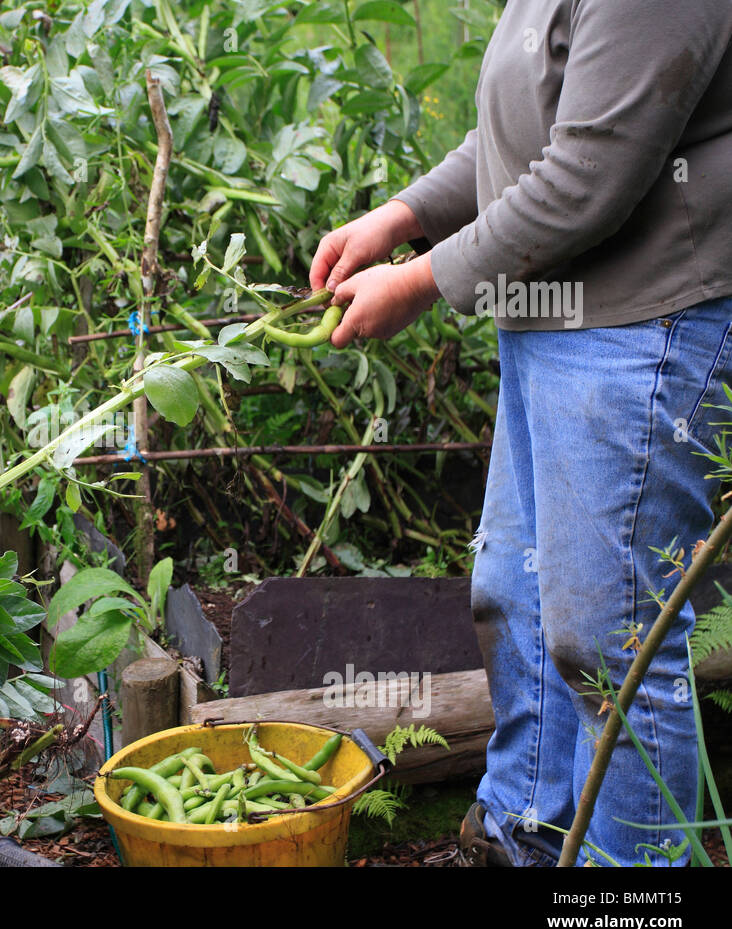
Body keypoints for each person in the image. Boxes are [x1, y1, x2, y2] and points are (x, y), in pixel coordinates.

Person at [309, 0, 732, 866]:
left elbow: (588, 173)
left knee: (612, 643)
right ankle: (524, 839)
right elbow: (521, 136)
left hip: (642, 329)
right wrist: (403, 215)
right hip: (551, 322)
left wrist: (421, 280)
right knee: (519, 594)